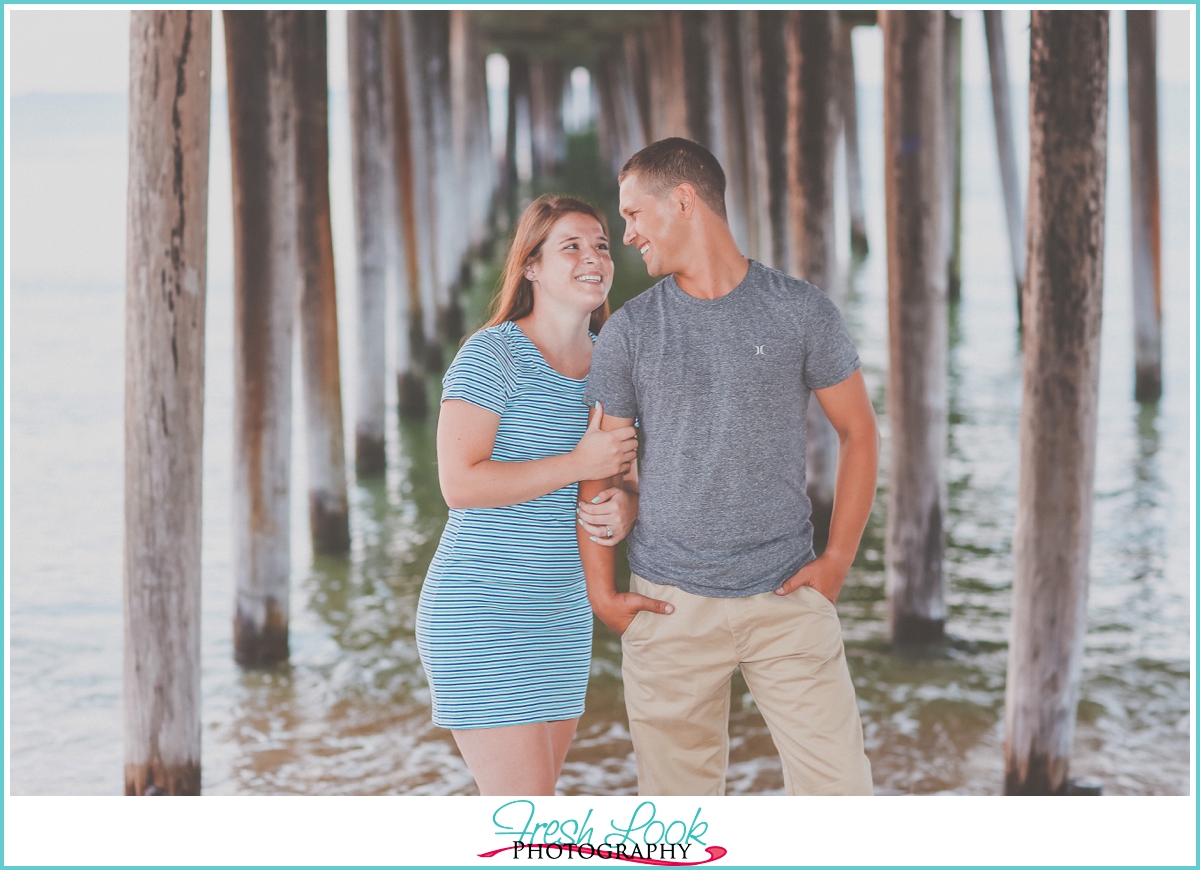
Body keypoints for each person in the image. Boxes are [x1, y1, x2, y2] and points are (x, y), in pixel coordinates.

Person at [578, 138, 878, 796]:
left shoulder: (801, 309)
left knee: (843, 800)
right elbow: (601, 467)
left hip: (787, 597)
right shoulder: (630, 331)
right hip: (669, 605)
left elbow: (859, 432)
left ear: (683, 201)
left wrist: (836, 563)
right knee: (679, 827)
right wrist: (603, 591)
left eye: (633, 215)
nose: (625, 236)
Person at [415, 194, 665, 797]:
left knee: (527, 823)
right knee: (530, 822)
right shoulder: (492, 354)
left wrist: (624, 507)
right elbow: (461, 484)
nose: (592, 258)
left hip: (563, 616)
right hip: (481, 610)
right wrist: (576, 462)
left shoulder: (613, 362)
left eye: (601, 245)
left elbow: (625, 475)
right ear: (530, 267)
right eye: (570, 247)